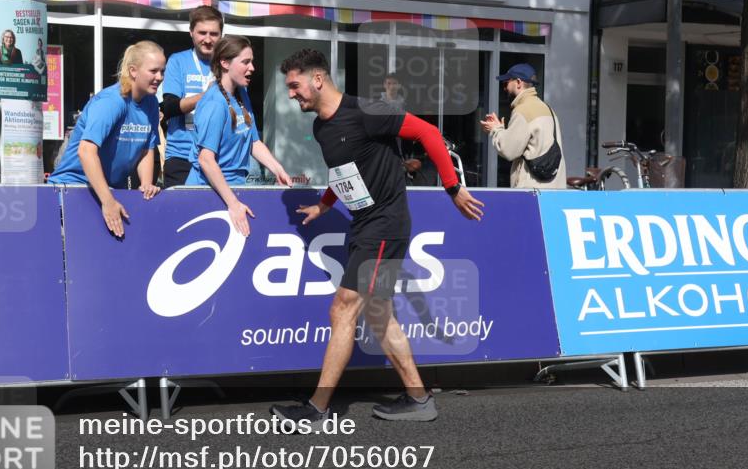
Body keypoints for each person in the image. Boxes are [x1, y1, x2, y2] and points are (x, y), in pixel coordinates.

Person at [271, 49, 484, 426]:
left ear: (317, 79)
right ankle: (419, 398)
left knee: (343, 307)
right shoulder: (323, 128)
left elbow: (428, 133)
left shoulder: (368, 112)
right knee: (378, 313)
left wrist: (453, 189)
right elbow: (346, 172)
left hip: (385, 226)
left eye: (295, 85)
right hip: (365, 226)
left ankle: (317, 409)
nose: (291, 94)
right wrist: (324, 204)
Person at [48, 41, 164, 236]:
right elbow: (86, 151)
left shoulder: (151, 103)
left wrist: (145, 184)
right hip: (73, 188)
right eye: (153, 71)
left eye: (162, 71)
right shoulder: (112, 102)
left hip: (107, 191)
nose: (159, 77)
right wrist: (108, 201)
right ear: (133, 71)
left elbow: (146, 148)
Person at [185, 35, 292, 236]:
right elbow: (206, 160)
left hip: (234, 191)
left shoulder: (241, 93)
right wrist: (233, 204)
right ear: (224, 63)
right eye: (245, 62)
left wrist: (277, 169)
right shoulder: (215, 103)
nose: (252, 68)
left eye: (252, 61)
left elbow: (254, 141)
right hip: (208, 195)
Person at [159, 5, 224, 187]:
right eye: (202, 33)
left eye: (214, 34)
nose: (208, 39)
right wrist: (208, 94)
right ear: (191, 32)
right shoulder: (178, 61)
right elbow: (170, 108)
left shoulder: (228, 64)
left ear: (221, 35)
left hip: (217, 157)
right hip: (181, 157)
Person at [481, 63, 566, 189]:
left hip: (532, 191)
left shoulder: (523, 111)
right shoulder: (547, 108)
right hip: (554, 188)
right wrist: (502, 130)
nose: (504, 88)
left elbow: (509, 151)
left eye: (506, 83)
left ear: (519, 82)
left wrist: (495, 130)